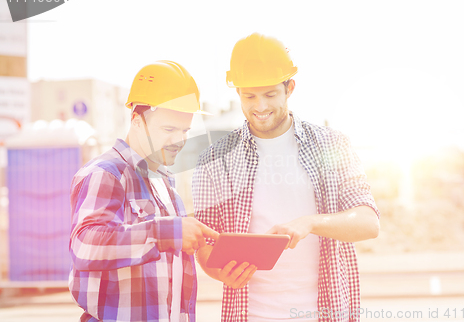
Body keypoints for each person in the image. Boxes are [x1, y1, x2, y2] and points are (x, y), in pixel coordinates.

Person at [193, 33, 380, 322]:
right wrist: (221, 273)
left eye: (270, 95)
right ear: (238, 92)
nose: (260, 107)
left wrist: (310, 222)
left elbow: (368, 223)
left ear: (289, 87)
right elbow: (204, 245)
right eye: (249, 96)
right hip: (250, 314)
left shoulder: (331, 145)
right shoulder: (213, 160)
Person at [69, 60, 219, 322]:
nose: (179, 140)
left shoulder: (165, 183)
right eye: (168, 129)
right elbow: (84, 245)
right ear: (137, 120)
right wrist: (166, 232)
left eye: (185, 130)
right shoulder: (107, 173)